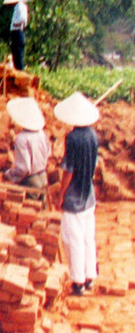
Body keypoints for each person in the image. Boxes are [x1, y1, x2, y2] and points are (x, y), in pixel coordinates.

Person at [52, 92, 101, 296]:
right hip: (88, 193)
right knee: (88, 237)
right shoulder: (93, 136)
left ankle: (78, 281)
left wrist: (61, 194)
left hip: (73, 196)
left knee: (73, 239)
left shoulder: (72, 138)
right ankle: (89, 276)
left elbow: (69, 170)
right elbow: (94, 164)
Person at [3, 96, 51, 194]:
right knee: (42, 206)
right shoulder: (41, 133)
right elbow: (48, 153)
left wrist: (9, 174)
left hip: (31, 181)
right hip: (43, 178)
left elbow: (24, 168)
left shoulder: (22, 138)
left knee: (30, 206)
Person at [4, 0, 29, 70]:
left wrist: (16, 24)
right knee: (16, 54)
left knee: (18, 54)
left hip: (17, 31)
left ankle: (19, 72)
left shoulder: (20, 6)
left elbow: (22, 19)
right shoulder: (20, 6)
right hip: (17, 31)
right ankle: (18, 70)